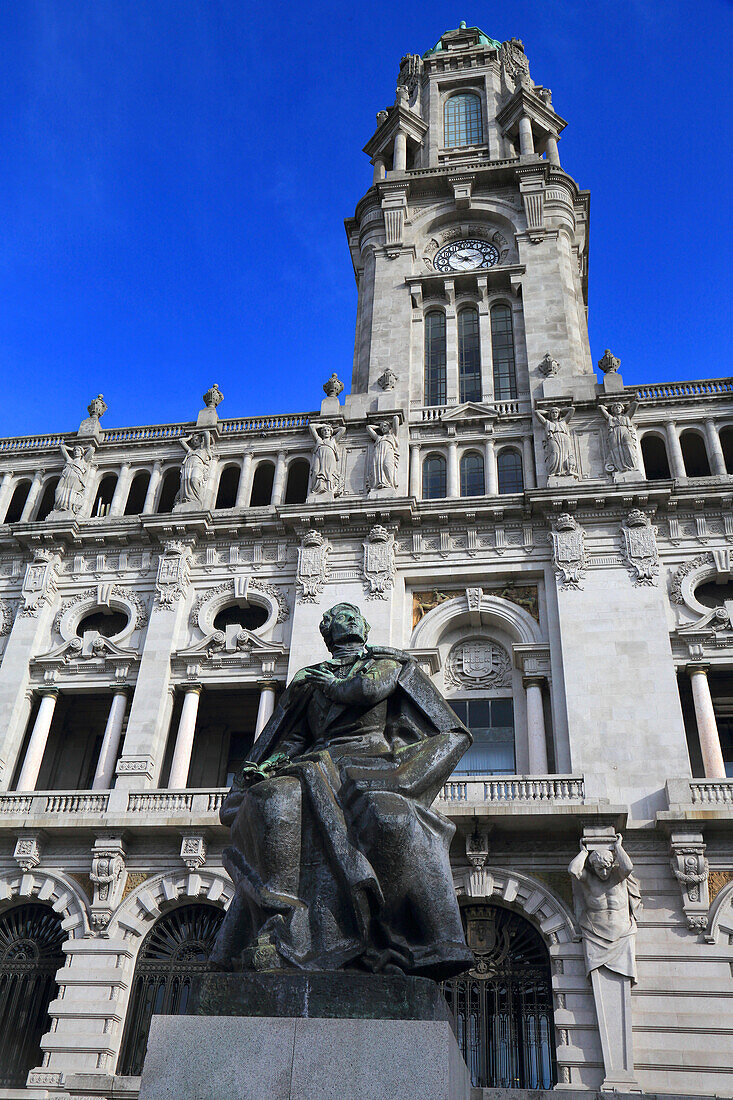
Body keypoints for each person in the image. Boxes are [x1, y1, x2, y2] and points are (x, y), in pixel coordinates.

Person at [210, 602, 474, 979]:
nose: (346, 621)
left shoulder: (387, 668)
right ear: (327, 632)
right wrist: (271, 763)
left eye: (352, 616)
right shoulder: (308, 679)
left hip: (372, 762)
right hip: (314, 764)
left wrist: (403, 779)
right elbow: (294, 736)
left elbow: (445, 730)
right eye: (337, 617)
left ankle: (394, 934)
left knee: (388, 817)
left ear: (364, 627)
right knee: (275, 798)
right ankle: (282, 927)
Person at [569, 834, 641, 981]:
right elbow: (573, 871)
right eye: (599, 869)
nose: (604, 873)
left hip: (622, 932)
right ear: (593, 867)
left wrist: (618, 847)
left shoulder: (617, 876)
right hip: (594, 934)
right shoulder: (588, 879)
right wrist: (584, 852)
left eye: (607, 868)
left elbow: (628, 867)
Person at [534, 406, 577, 477]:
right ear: (550, 414)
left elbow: (572, 409)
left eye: (556, 412)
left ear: (559, 414)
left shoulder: (564, 422)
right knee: (554, 454)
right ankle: (554, 472)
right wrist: (548, 412)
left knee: (565, 454)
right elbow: (537, 412)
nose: (554, 414)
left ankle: (564, 471)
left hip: (564, 437)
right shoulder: (547, 423)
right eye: (553, 413)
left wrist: (560, 410)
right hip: (553, 437)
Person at [54, 443, 94, 514]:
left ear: (81, 453)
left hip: (76, 481)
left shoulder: (83, 461)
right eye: (75, 450)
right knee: (58, 492)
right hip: (65, 480)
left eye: (78, 450)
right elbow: (62, 447)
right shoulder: (69, 460)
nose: (76, 452)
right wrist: (72, 449)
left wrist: (83, 450)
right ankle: (59, 508)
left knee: (72, 495)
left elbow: (92, 449)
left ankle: (68, 509)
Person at [600, 401, 639, 473]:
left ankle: (631, 465)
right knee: (616, 449)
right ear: (613, 410)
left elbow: (635, 405)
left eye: (619, 407)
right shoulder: (611, 418)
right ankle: (620, 467)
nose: (617, 409)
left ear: (622, 409)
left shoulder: (626, 416)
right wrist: (603, 407)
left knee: (628, 447)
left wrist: (629, 405)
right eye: (615, 408)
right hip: (614, 432)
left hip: (625, 431)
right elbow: (602, 411)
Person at [309, 422, 345, 495]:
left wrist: (331, 429)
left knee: (328, 473)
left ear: (331, 432)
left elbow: (342, 429)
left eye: (328, 430)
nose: (326, 432)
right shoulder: (318, 439)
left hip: (329, 456)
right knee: (316, 471)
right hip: (319, 455)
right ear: (322, 433)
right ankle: (317, 488)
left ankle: (328, 488)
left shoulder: (333, 440)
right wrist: (323, 425)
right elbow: (311, 426)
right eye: (324, 430)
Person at [177, 430, 212, 505]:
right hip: (188, 465)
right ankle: (187, 499)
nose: (194, 442)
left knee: (194, 480)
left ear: (200, 441)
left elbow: (206, 433)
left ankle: (196, 499)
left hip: (198, 465)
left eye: (196, 440)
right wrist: (190, 437)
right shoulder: (190, 451)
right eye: (193, 441)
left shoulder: (205, 449)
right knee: (186, 482)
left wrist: (198, 433)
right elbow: (181, 441)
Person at [366, 416, 399, 491]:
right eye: (382, 427)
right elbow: (368, 427)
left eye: (385, 426)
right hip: (378, 453)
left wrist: (389, 425)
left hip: (388, 451)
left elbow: (396, 419)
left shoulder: (393, 435)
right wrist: (378, 427)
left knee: (387, 465)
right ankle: (380, 483)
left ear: (389, 427)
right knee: (378, 467)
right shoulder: (378, 438)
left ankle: (390, 484)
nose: (383, 428)